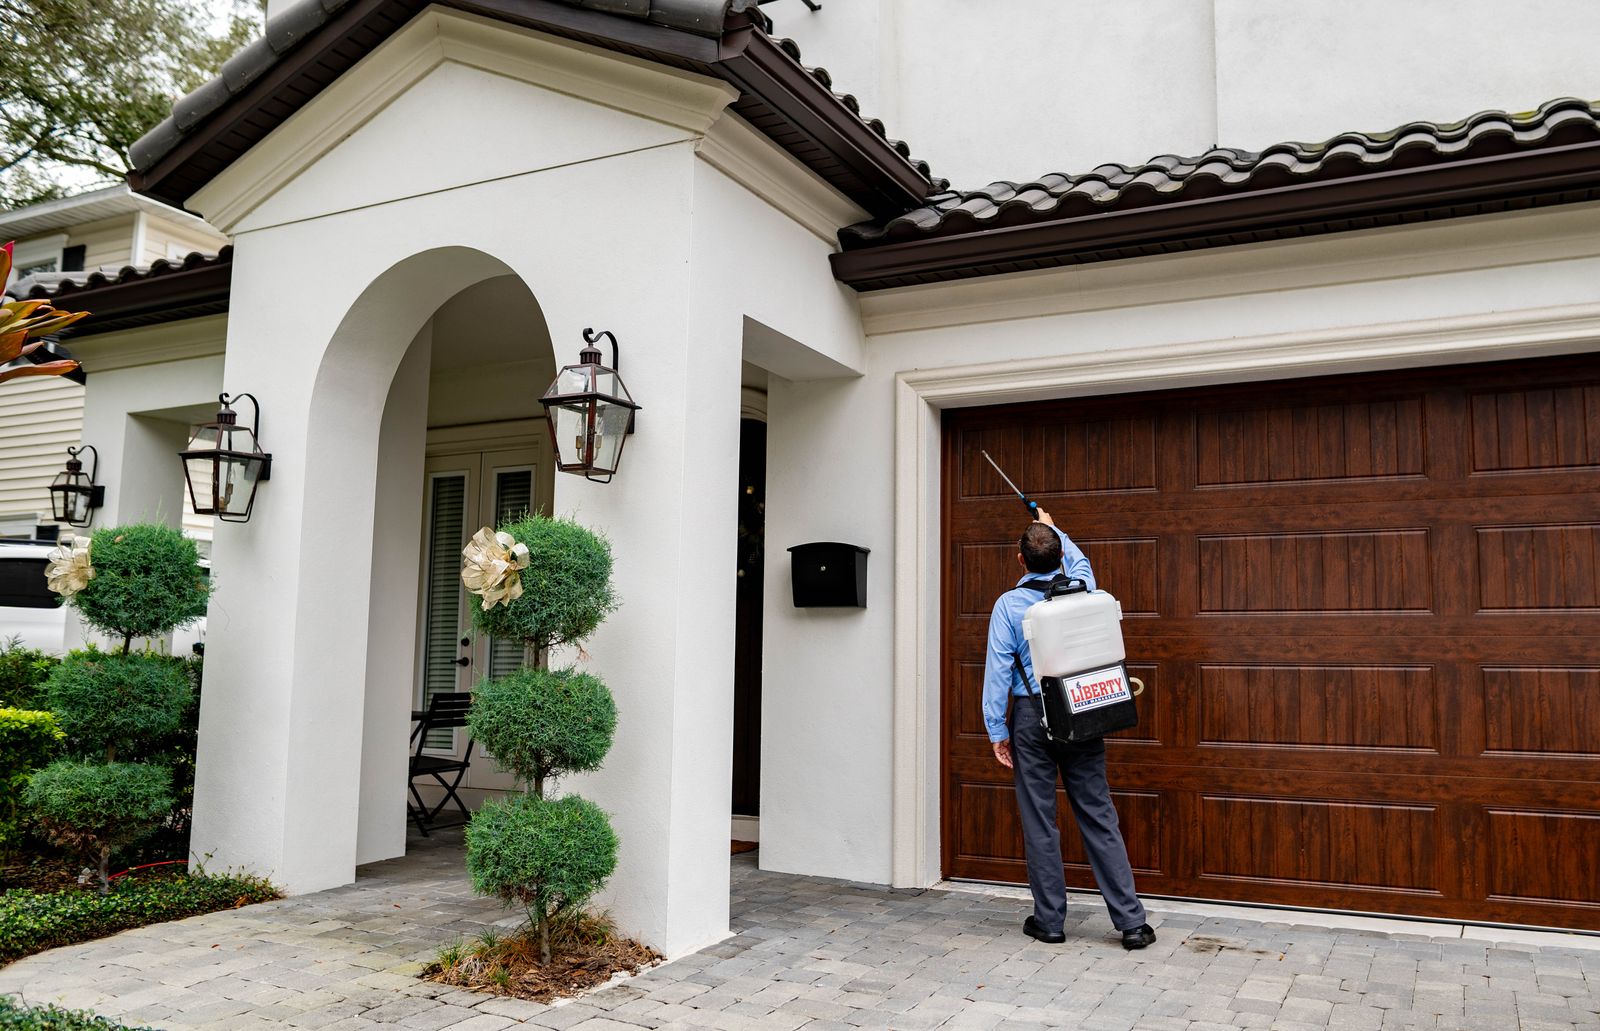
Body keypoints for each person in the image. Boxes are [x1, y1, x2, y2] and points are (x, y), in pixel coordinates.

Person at [982, 509, 1156, 949]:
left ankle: (1050, 922)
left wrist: (995, 730)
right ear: (1060, 556)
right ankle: (1132, 924)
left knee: (1040, 820)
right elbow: (1080, 561)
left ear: (1019, 561)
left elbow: (998, 672)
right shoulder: (1085, 590)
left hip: (1030, 720)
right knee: (1098, 813)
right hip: (1081, 712)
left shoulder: (1009, 605)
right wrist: (1054, 526)